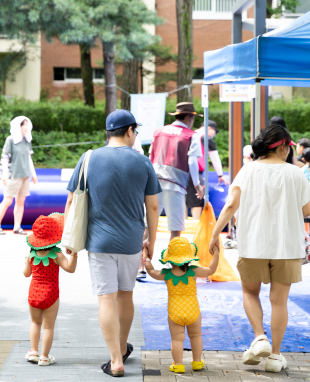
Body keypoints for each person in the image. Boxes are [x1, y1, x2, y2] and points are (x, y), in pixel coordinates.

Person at [209, 124, 310, 373]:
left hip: (253, 243)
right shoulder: (296, 173)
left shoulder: (248, 170)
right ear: (286, 147)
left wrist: (215, 234)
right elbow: (307, 211)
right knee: (279, 302)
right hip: (287, 246)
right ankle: (275, 356)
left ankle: (260, 338)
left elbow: (231, 205)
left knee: (250, 293)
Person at [65, 109, 161, 377]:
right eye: (136, 131)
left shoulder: (89, 158)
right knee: (125, 295)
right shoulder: (142, 162)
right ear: (129, 131)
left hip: (99, 242)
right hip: (131, 241)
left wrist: (68, 238)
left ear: (108, 133)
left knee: (105, 298)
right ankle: (121, 347)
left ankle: (116, 359)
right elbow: (153, 207)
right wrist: (151, 239)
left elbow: (72, 200)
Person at [142, 237, 219, 374]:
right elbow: (211, 269)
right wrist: (216, 253)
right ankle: (196, 362)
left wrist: (146, 257)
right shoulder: (194, 271)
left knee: (177, 339)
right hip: (193, 309)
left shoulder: (166, 274)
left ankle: (178, 364)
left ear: (170, 258)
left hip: (175, 310)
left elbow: (151, 271)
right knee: (195, 336)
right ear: (189, 257)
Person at [23, 214, 78, 366]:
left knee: (35, 322)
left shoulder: (31, 254)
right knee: (48, 326)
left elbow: (26, 274)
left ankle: (33, 352)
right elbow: (70, 269)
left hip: (33, 293)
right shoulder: (57, 254)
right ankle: (44, 357)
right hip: (51, 294)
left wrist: (26, 261)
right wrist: (74, 253)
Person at [149, 102, 204, 239]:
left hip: (154, 182)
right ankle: (173, 260)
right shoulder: (191, 135)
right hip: (175, 184)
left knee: (149, 225)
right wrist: (197, 185)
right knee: (175, 228)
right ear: (189, 118)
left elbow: (150, 156)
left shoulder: (158, 131)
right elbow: (192, 161)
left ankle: (143, 260)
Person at [0, 116, 37, 235]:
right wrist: (4, 175)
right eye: (24, 125)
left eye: (27, 124)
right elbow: (5, 158)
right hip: (14, 175)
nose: (26, 127)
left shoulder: (27, 140)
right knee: (7, 200)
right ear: (18, 126)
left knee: (20, 201)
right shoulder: (10, 140)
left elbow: (29, 157)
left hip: (25, 175)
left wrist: (34, 174)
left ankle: (17, 227)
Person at [187, 120, 229, 220]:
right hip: (195, 171)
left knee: (184, 199)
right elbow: (214, 157)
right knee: (197, 198)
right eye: (214, 132)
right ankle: (196, 224)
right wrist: (220, 175)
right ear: (209, 128)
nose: (214, 135)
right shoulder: (205, 137)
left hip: (183, 170)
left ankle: (182, 227)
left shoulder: (191, 134)